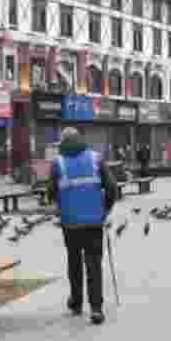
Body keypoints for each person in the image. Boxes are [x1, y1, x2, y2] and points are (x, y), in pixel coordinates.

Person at [48, 127, 118, 325]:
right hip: (94, 223)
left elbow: (50, 193)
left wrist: (59, 206)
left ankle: (76, 303)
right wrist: (105, 210)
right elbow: (112, 188)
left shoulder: (58, 163)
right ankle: (96, 309)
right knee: (94, 264)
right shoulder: (96, 159)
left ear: (62, 143)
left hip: (70, 224)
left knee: (74, 262)